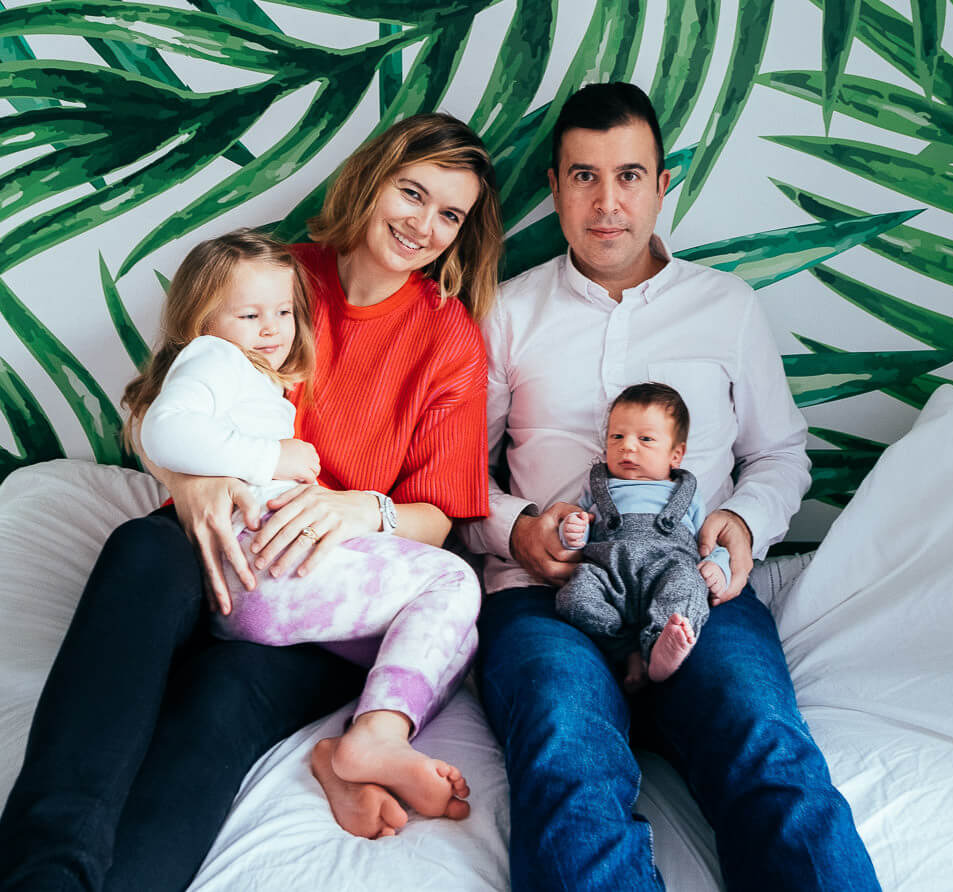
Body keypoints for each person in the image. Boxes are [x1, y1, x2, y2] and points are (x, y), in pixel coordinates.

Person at [0, 112, 504, 891]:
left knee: (222, 698)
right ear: (372, 180)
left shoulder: (449, 338)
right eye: (412, 192)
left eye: (450, 214)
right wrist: (191, 482)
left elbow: (437, 518)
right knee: (143, 549)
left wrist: (358, 509)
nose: (423, 225)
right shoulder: (275, 277)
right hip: (215, 543)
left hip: (320, 606)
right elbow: (160, 409)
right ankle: (44, 872)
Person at [462, 81, 881, 892]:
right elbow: (458, 477)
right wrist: (517, 529)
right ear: (554, 187)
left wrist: (742, 523)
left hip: (696, 590)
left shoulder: (727, 308)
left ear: (661, 184)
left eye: (628, 176)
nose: (607, 203)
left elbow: (780, 454)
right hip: (548, 598)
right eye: (584, 177)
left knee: (769, 751)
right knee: (565, 755)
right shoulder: (508, 313)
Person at [132, 229, 482, 786]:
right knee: (453, 583)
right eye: (250, 315)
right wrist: (272, 456)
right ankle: (374, 740)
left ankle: (347, 752)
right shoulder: (213, 355)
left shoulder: (254, 371)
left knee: (446, 640)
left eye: (284, 312)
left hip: (258, 580)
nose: (272, 328)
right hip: (265, 559)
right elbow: (162, 428)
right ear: (203, 322)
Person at [555, 382, 729, 689]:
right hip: (608, 574)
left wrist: (719, 566)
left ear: (676, 454)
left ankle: (661, 647)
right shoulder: (597, 485)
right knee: (574, 596)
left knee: (688, 585)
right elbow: (577, 525)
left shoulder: (686, 493)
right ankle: (627, 649)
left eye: (645, 439)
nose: (628, 447)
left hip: (667, 569)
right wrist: (571, 530)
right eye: (617, 437)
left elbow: (708, 541)